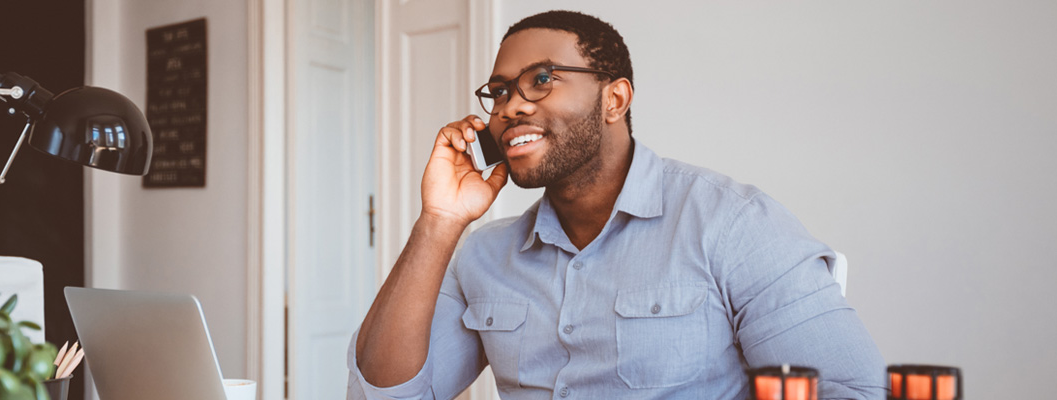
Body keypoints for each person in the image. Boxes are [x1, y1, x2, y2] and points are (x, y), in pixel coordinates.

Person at [346, 9, 885, 399]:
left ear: (616, 99)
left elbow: (853, 392)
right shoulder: (484, 255)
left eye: (541, 80)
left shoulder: (732, 223)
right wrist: (439, 222)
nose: (510, 107)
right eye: (500, 91)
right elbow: (380, 395)